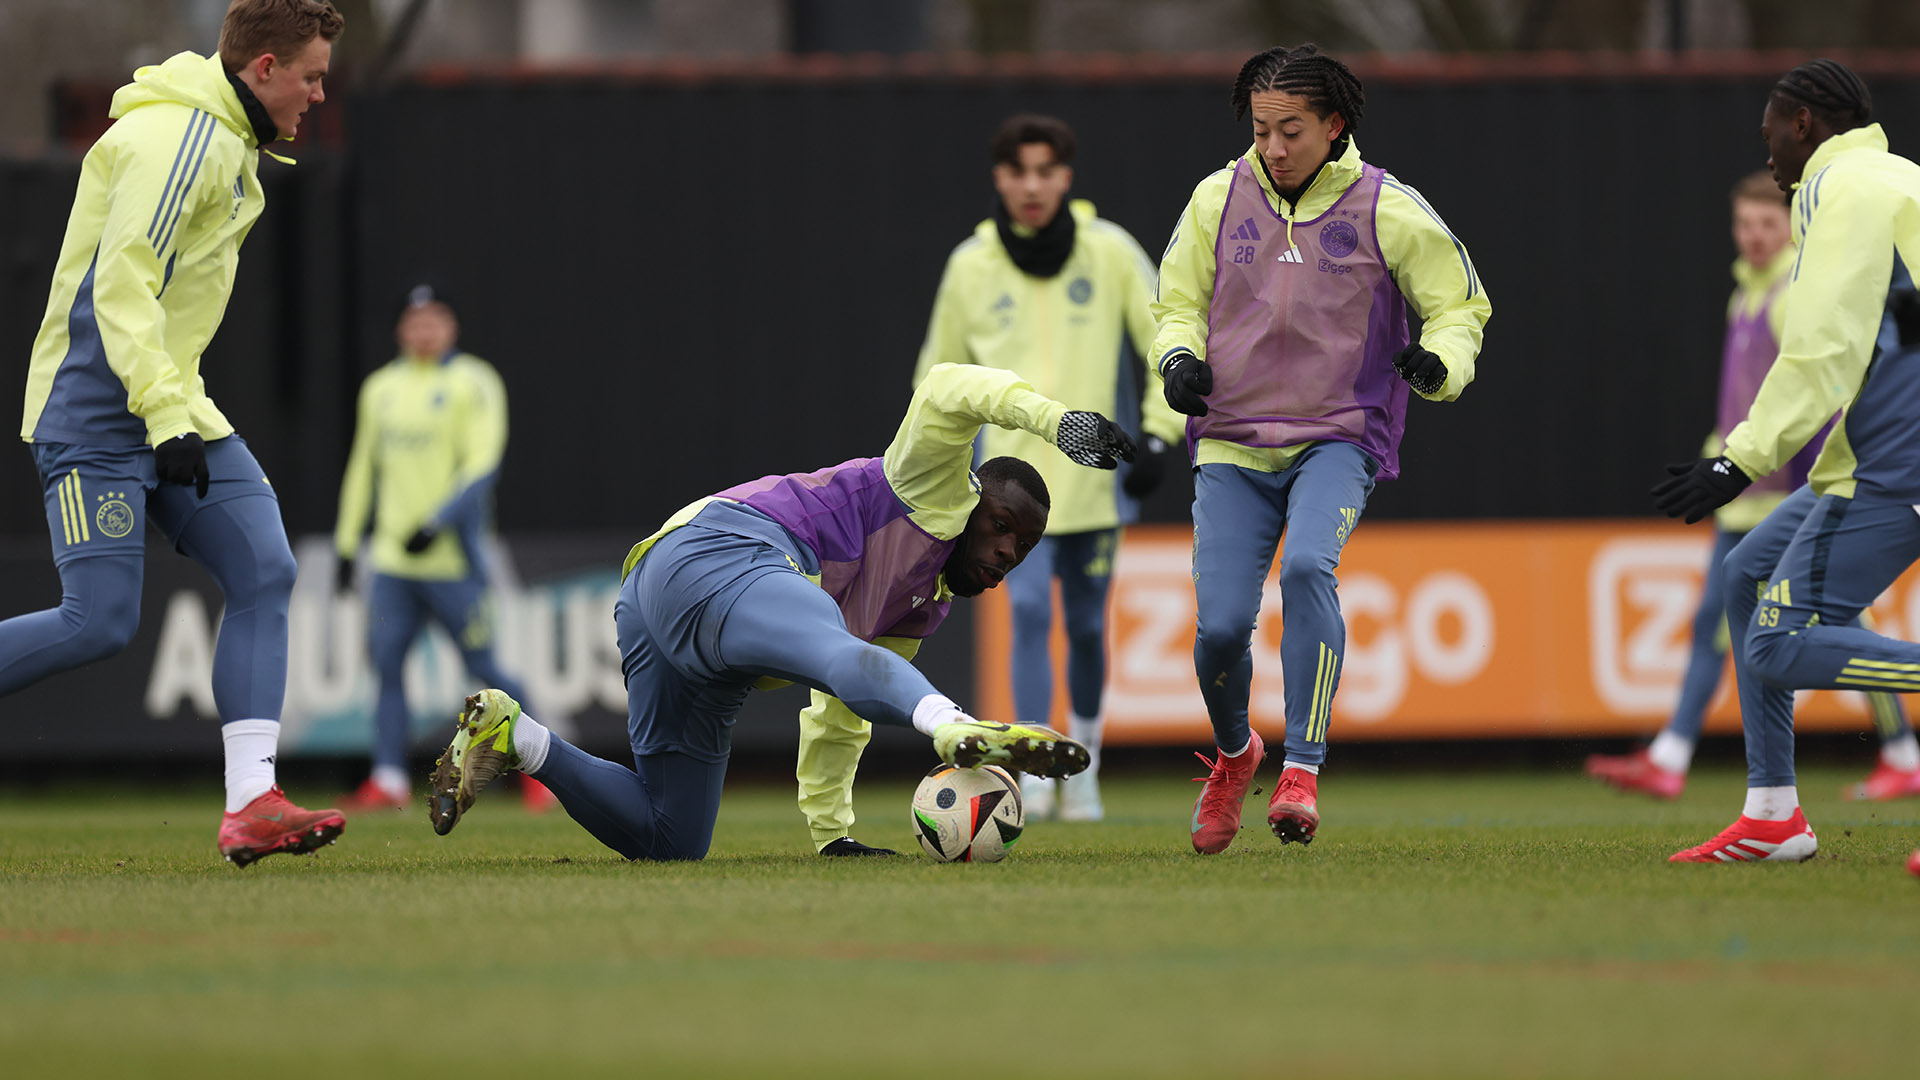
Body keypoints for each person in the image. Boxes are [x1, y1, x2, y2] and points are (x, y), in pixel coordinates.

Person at [423, 364, 1136, 862]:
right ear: (973, 496)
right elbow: (951, 385)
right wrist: (1054, 419)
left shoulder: (922, 608)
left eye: (1025, 544)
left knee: (670, 837)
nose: (1009, 550)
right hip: (718, 553)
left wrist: (834, 833)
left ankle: (515, 736)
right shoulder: (929, 485)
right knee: (840, 651)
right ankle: (957, 727)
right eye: (1002, 526)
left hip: (670, 619)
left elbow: (843, 710)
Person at [0, 0, 346, 867]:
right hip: (95, 412)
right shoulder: (177, 141)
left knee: (266, 568)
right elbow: (120, 291)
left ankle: (251, 803)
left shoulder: (229, 140)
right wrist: (161, 415)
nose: (317, 95)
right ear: (263, 70)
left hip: (171, 406)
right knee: (99, 622)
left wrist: (172, 409)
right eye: (310, 77)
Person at [1153, 44, 1490, 855]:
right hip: (1232, 442)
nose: (1272, 147)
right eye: (1262, 130)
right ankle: (1237, 757)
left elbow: (1460, 307)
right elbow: (1175, 304)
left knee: (1309, 568)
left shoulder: (1389, 207)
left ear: (1334, 126)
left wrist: (1440, 367)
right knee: (1222, 629)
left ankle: (1301, 771)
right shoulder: (1216, 200)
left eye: (1291, 130)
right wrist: (1176, 361)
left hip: (1339, 435)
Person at [815, 113, 1185, 834]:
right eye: (1019, 172)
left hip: (1093, 486)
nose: (1032, 186)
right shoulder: (971, 265)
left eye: (1047, 171)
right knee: (1029, 616)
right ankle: (1036, 775)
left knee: (1083, 626)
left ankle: (1087, 771)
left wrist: (1162, 437)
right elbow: (936, 377)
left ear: (1066, 178)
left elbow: (1162, 337)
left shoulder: (1109, 253)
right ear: (1000, 180)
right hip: (1001, 499)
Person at [1652, 58, 1920, 864]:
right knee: (1744, 579)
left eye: (1770, 128)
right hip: (1872, 455)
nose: (1766, 148)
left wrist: (1738, 462)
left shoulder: (1844, 190)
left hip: (1898, 463)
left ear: (1803, 122)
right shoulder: (1896, 177)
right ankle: (1773, 814)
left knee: (1773, 641)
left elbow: (1822, 352)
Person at [1590, 171, 1919, 801]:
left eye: (1768, 224)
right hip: (1745, 484)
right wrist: (1717, 459)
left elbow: (1817, 392)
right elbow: (1744, 399)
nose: (1756, 236)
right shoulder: (1746, 294)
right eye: (1745, 224)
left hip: (1783, 488)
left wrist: (1797, 477)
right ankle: (1714, 767)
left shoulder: (1794, 292)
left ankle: (1704, 763)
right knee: (1735, 615)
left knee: (1770, 624)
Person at [332, 285, 552, 813]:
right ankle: (388, 780)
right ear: (400, 329)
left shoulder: (473, 381)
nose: (424, 329)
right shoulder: (381, 388)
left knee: (488, 668)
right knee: (386, 666)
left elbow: (483, 462)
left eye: (435, 318)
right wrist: (346, 543)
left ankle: (545, 772)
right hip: (392, 563)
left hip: (455, 562)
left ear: (451, 325)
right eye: (414, 320)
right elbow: (363, 466)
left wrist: (437, 523)